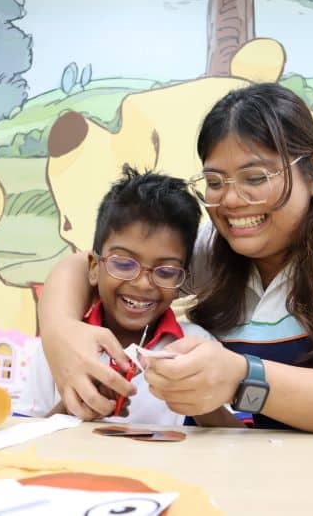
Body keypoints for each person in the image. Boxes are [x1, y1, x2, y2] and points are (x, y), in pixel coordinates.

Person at [37, 83, 313, 492]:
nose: (231, 200)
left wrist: (242, 379)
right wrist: (61, 333)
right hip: (255, 477)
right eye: (215, 181)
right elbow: (82, 265)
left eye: (255, 177)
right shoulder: (215, 250)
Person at [19, 165, 239, 427]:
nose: (143, 283)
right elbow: (26, 437)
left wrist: (201, 403)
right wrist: (74, 405)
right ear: (92, 267)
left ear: (184, 278)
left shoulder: (195, 346)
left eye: (166, 271)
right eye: (123, 264)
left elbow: (234, 443)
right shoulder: (62, 345)